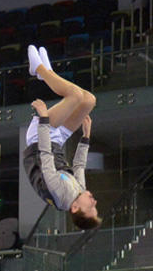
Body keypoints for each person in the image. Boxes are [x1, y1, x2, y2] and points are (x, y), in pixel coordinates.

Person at [23, 44, 100, 231]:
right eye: (95, 206)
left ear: (74, 208)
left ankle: (40, 70)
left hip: (38, 140)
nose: (94, 201)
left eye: (90, 206)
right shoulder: (78, 192)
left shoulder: (59, 194)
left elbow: (45, 155)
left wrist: (43, 119)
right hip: (57, 142)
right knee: (89, 100)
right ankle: (47, 73)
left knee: (74, 96)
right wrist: (86, 137)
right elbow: (80, 165)